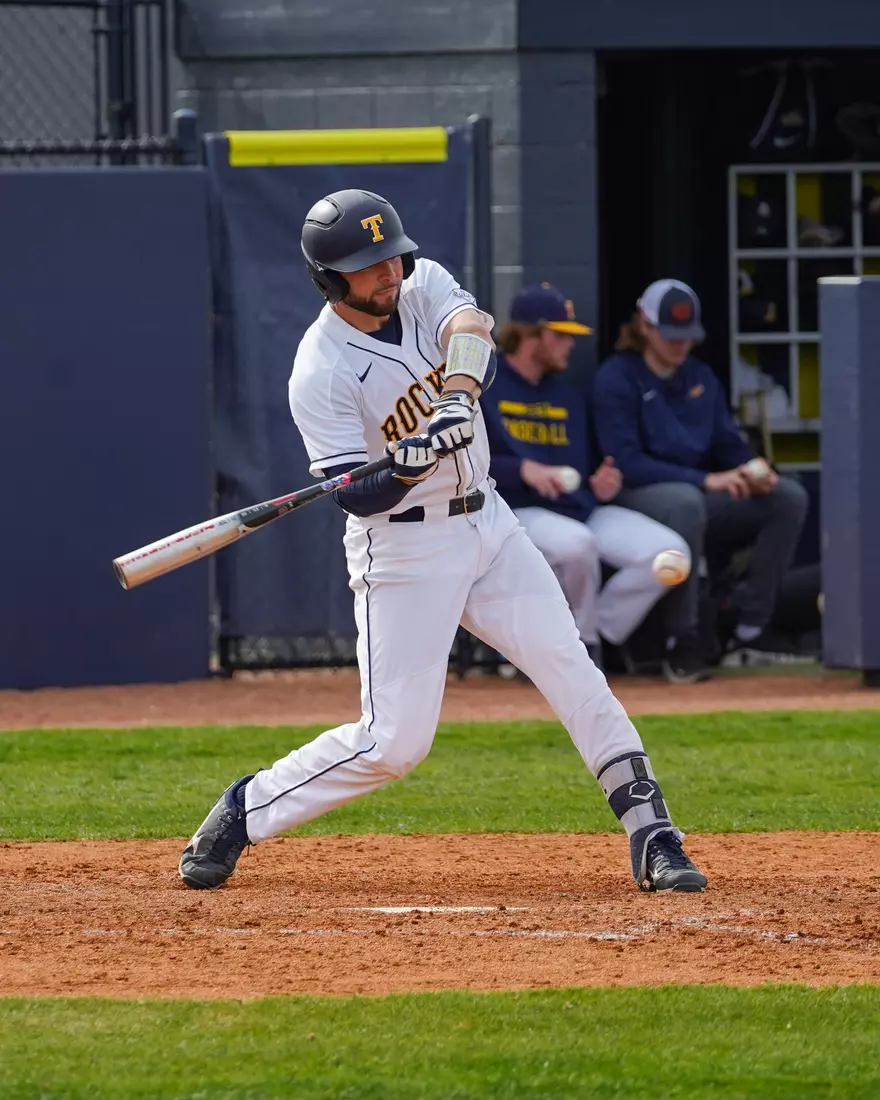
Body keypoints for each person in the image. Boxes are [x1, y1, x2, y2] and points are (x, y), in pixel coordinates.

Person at [179, 190, 707, 895]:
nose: (388, 274)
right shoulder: (321, 369)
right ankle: (246, 809)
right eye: (368, 269)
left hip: (488, 523)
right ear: (331, 280)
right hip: (403, 552)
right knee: (394, 744)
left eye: (390, 258)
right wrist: (410, 458)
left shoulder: (420, 283)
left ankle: (654, 834)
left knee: (570, 667)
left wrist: (456, 397)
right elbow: (355, 494)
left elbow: (470, 328)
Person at [593, 279, 809, 678]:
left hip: (696, 493)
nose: (680, 344)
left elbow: (729, 444)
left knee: (787, 496)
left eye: (686, 336)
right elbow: (626, 463)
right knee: (685, 501)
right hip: (636, 498)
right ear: (644, 325)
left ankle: (749, 627)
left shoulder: (701, 377)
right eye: (670, 335)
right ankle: (683, 639)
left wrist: (752, 471)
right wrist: (707, 480)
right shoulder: (617, 377)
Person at [481, 283, 691, 670]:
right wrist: (522, 469)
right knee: (577, 546)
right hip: (518, 510)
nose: (569, 345)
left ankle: (586, 639)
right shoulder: (485, 387)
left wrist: (599, 483)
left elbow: (583, 468)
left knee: (670, 554)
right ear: (531, 335)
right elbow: (461, 459)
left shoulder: (566, 395)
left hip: (578, 507)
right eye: (560, 335)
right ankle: (580, 649)